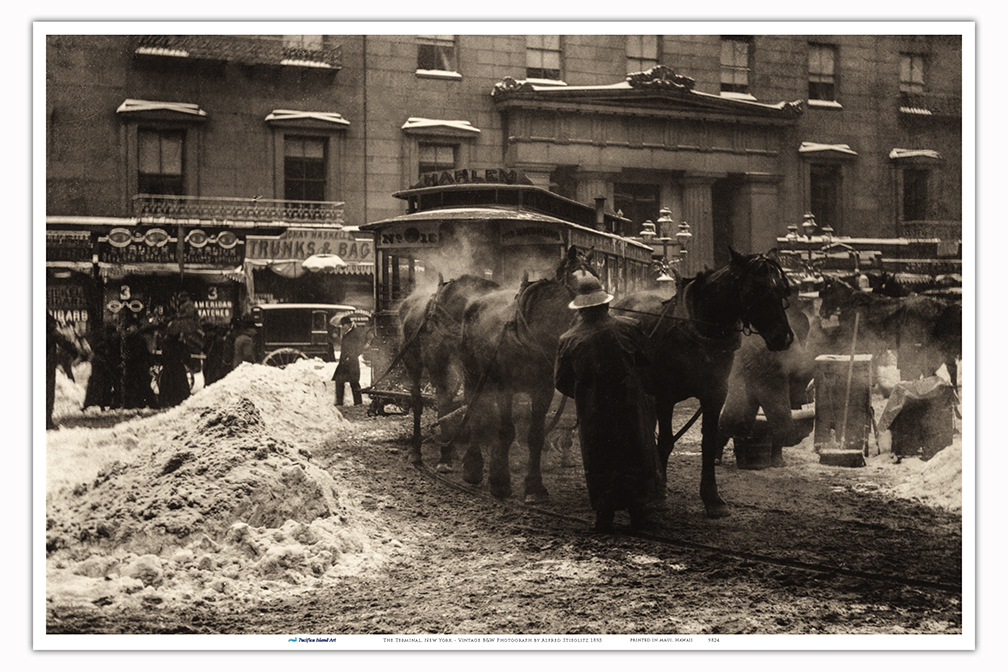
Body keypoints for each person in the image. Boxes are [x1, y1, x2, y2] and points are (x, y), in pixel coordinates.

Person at [554, 272, 663, 533]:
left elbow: (561, 381)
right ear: (605, 304)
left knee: (600, 459)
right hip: (630, 407)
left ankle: (605, 516)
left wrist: (585, 394)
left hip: (593, 411)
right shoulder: (629, 327)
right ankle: (640, 515)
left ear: (580, 309)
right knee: (635, 454)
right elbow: (648, 359)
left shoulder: (568, 339)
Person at [46, 312, 79, 430]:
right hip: (47, 364)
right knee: (48, 392)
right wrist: (74, 351)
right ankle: (46, 421)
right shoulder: (49, 328)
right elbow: (59, 338)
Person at [332, 316, 367, 406]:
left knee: (354, 382)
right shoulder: (346, 333)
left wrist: (352, 356)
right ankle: (339, 401)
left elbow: (360, 347)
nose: (342, 327)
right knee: (339, 381)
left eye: (343, 325)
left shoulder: (355, 333)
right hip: (344, 361)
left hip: (352, 362)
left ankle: (358, 402)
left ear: (348, 324)